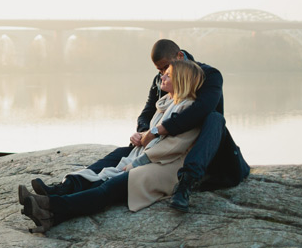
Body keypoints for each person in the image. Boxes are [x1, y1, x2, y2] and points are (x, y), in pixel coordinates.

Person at [31, 39, 250, 212]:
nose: (161, 74)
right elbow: (148, 111)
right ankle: (63, 188)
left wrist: (154, 133)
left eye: (166, 69)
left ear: (179, 57)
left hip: (200, 149)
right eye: (160, 70)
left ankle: (186, 183)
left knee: (214, 118)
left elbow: (200, 111)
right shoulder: (163, 79)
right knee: (116, 155)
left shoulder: (209, 76)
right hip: (162, 143)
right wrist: (142, 132)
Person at [20, 59, 205, 232]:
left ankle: (49, 204)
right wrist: (141, 136)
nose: (162, 77)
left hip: (164, 168)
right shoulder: (166, 104)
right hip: (151, 158)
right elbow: (156, 134)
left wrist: (136, 163)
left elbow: (173, 147)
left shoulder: (189, 109)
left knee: (108, 188)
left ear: (181, 81)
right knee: (105, 174)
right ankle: (50, 215)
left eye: (168, 75)